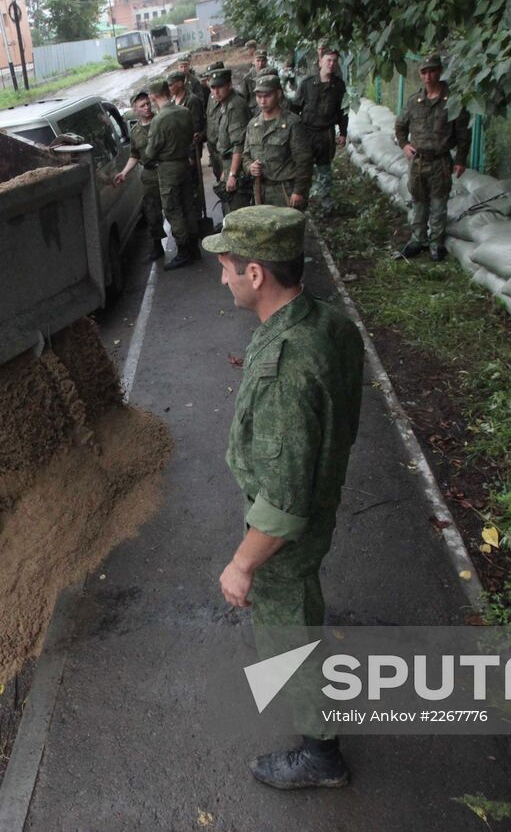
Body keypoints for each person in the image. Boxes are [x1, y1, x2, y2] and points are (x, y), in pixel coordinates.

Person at [203, 205, 364, 789]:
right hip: (321, 501)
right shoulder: (326, 323)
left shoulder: (284, 370)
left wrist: (243, 565)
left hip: (287, 537)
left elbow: (286, 500)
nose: (222, 278)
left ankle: (322, 756)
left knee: (288, 633)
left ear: (255, 275)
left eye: (227, 267)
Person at [393, 54, 469, 261]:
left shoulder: (453, 101)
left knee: (438, 204)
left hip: (440, 161)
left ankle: (436, 243)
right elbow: (400, 126)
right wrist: (404, 145)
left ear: (440, 71)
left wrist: (461, 159)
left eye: (432, 71)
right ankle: (418, 239)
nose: (428, 76)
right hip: (418, 161)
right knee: (418, 202)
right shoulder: (414, 101)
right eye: (424, 72)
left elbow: (463, 133)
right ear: (420, 75)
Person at [143, 79, 198, 268]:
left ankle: (183, 251)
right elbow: (191, 135)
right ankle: (194, 247)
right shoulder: (184, 111)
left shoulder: (159, 120)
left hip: (168, 169)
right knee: (188, 205)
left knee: (174, 210)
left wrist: (148, 159)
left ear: (153, 96)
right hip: (184, 163)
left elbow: (150, 152)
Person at [241, 74, 312, 210]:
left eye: (267, 96)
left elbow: (304, 161)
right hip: (261, 191)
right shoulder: (253, 125)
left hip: (285, 190)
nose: (262, 101)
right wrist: (251, 167)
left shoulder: (292, 123)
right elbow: (246, 155)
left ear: (278, 94)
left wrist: (298, 191)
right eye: (259, 96)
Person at [292, 47, 348, 215]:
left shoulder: (338, 86)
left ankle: (326, 205)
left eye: (334, 61)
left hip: (326, 134)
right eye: (328, 60)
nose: (331, 64)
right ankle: (302, 201)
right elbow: (295, 108)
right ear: (321, 61)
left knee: (324, 169)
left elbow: (342, 111)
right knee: (304, 167)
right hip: (307, 133)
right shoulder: (307, 83)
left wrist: (343, 133)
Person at [113, 90, 167, 262]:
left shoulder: (161, 121)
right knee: (152, 211)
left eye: (148, 104)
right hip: (149, 173)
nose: (146, 108)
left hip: (167, 169)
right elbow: (135, 155)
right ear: (135, 110)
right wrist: (124, 172)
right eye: (141, 106)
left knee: (174, 206)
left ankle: (184, 245)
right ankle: (157, 245)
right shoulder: (135, 131)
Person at [205, 68, 251, 215]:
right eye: (213, 87)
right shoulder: (225, 104)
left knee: (238, 214)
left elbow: (239, 144)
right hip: (227, 163)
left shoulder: (235, 105)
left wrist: (232, 174)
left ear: (229, 85)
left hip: (237, 167)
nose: (216, 91)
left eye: (220, 87)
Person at [168, 70, 207, 236]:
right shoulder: (173, 101)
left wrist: (192, 155)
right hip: (178, 152)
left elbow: (195, 129)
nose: (169, 87)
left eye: (171, 84)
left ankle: (197, 220)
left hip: (190, 151)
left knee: (194, 187)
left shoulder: (192, 100)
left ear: (180, 83)